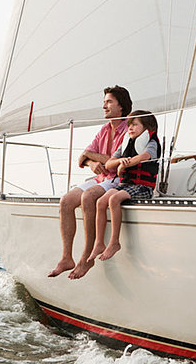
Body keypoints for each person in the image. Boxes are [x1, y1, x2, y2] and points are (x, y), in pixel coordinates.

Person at [47, 86, 133, 279]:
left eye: (109, 102)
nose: (104, 106)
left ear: (121, 107)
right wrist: (92, 162)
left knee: (88, 197)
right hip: (100, 178)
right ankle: (66, 258)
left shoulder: (129, 130)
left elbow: (113, 160)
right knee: (66, 201)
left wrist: (90, 155)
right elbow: (81, 160)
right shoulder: (104, 129)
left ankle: (87, 257)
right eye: (104, 102)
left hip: (117, 179)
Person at [86, 110, 161, 266]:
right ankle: (99, 243)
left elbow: (145, 156)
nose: (130, 128)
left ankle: (114, 242)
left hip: (142, 187)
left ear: (147, 128)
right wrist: (120, 162)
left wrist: (128, 163)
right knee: (101, 202)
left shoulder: (151, 143)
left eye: (134, 125)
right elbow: (109, 163)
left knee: (114, 199)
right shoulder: (126, 143)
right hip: (126, 184)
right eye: (129, 125)